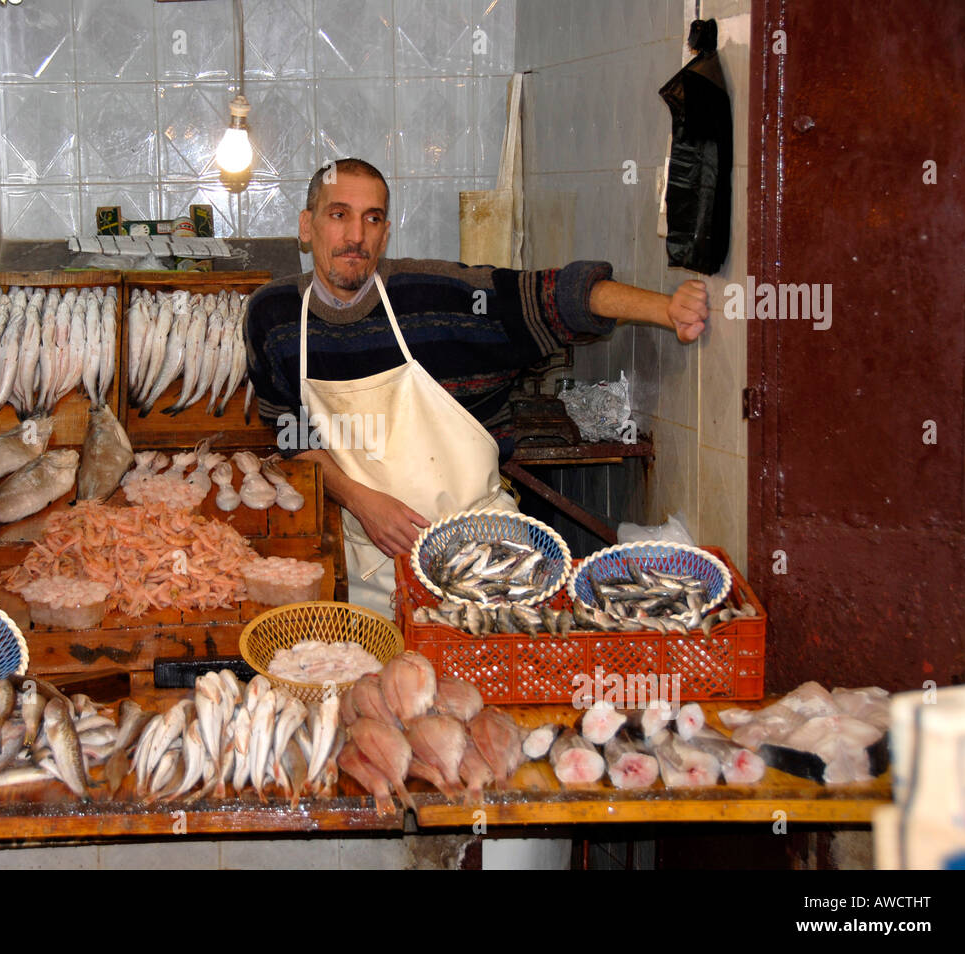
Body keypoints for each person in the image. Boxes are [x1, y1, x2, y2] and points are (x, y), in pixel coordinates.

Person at [244, 158, 709, 614]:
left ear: (386, 233)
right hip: (372, 569)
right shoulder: (274, 317)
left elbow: (557, 296)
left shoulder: (435, 297)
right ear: (307, 227)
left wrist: (667, 310)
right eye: (338, 214)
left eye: (373, 219)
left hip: (489, 554)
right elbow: (292, 438)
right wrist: (360, 501)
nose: (355, 237)